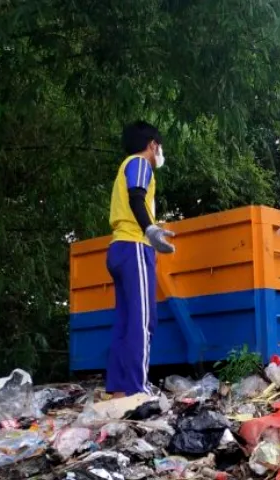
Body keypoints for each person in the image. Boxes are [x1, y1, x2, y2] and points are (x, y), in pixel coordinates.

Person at [106, 121, 176, 398]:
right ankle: (137, 389)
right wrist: (150, 228)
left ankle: (118, 389)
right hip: (135, 245)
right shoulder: (140, 163)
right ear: (153, 145)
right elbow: (137, 195)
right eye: (159, 147)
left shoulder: (125, 165)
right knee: (143, 321)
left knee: (125, 321)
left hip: (118, 248)